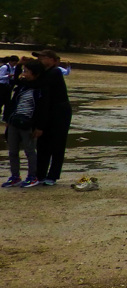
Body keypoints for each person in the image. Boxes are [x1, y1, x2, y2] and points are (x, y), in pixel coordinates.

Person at [2, 59, 44, 188]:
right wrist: (7, 120)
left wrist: (39, 127)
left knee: (29, 151)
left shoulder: (40, 89)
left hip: (28, 124)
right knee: (12, 151)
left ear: (35, 73)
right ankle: (15, 176)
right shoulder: (22, 85)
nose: (24, 74)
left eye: (27, 71)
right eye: (24, 71)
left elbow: (42, 109)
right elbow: (12, 102)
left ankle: (32, 177)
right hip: (14, 121)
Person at [34, 50, 72, 186]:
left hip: (60, 111)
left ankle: (53, 175)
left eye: (42, 57)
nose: (39, 60)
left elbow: (39, 84)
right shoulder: (45, 73)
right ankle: (40, 174)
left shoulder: (54, 72)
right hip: (48, 110)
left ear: (52, 59)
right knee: (43, 143)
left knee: (57, 144)